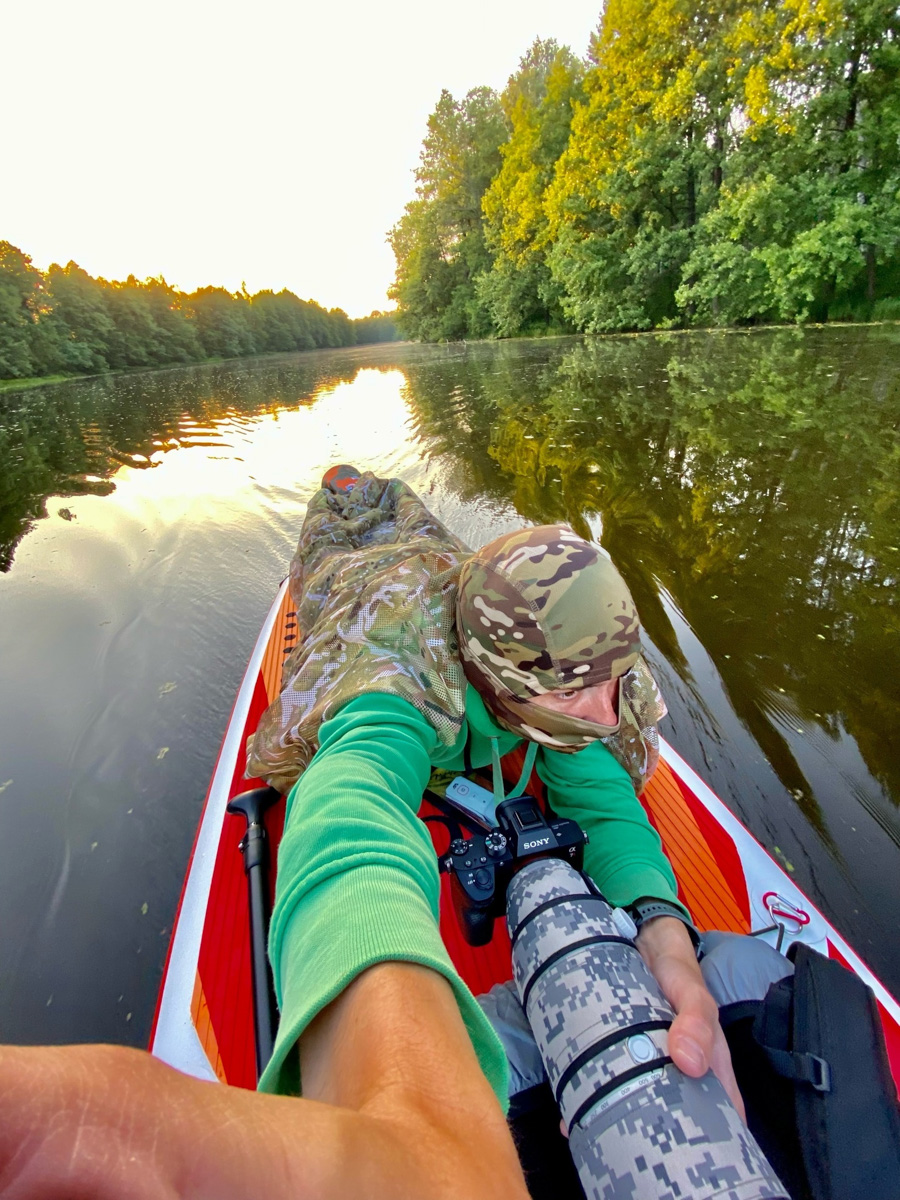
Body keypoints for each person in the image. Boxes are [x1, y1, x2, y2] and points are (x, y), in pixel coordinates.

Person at [0, 472, 757, 1198]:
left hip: (440, 578)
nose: (601, 713)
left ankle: (381, 500)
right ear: (492, 676)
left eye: (609, 680)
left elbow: (602, 799)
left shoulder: (587, 690)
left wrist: (666, 939)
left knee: (410, 516)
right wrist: (398, 1079)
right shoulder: (393, 681)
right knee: (341, 533)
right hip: (374, 593)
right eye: (569, 691)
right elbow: (349, 805)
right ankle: (345, 493)